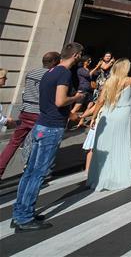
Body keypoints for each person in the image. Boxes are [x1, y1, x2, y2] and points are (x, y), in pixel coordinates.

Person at [11, 43, 87, 232]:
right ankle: (25, 217)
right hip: (51, 127)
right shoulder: (64, 73)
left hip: (41, 124)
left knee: (30, 172)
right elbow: (60, 101)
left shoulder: (50, 72)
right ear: (76, 55)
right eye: (80, 56)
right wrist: (76, 98)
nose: (80, 59)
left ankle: (20, 212)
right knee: (38, 174)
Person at [87, 58, 131, 190]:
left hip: (107, 114)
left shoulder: (108, 82)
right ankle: (116, 176)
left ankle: (100, 177)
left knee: (104, 146)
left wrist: (93, 117)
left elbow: (100, 102)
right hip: (121, 115)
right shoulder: (129, 80)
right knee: (119, 145)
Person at [0, 52, 59, 179]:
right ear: (54, 62)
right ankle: (31, 172)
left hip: (25, 111)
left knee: (13, 143)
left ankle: (0, 169)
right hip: (39, 113)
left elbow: (26, 91)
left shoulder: (31, 73)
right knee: (39, 144)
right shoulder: (51, 75)